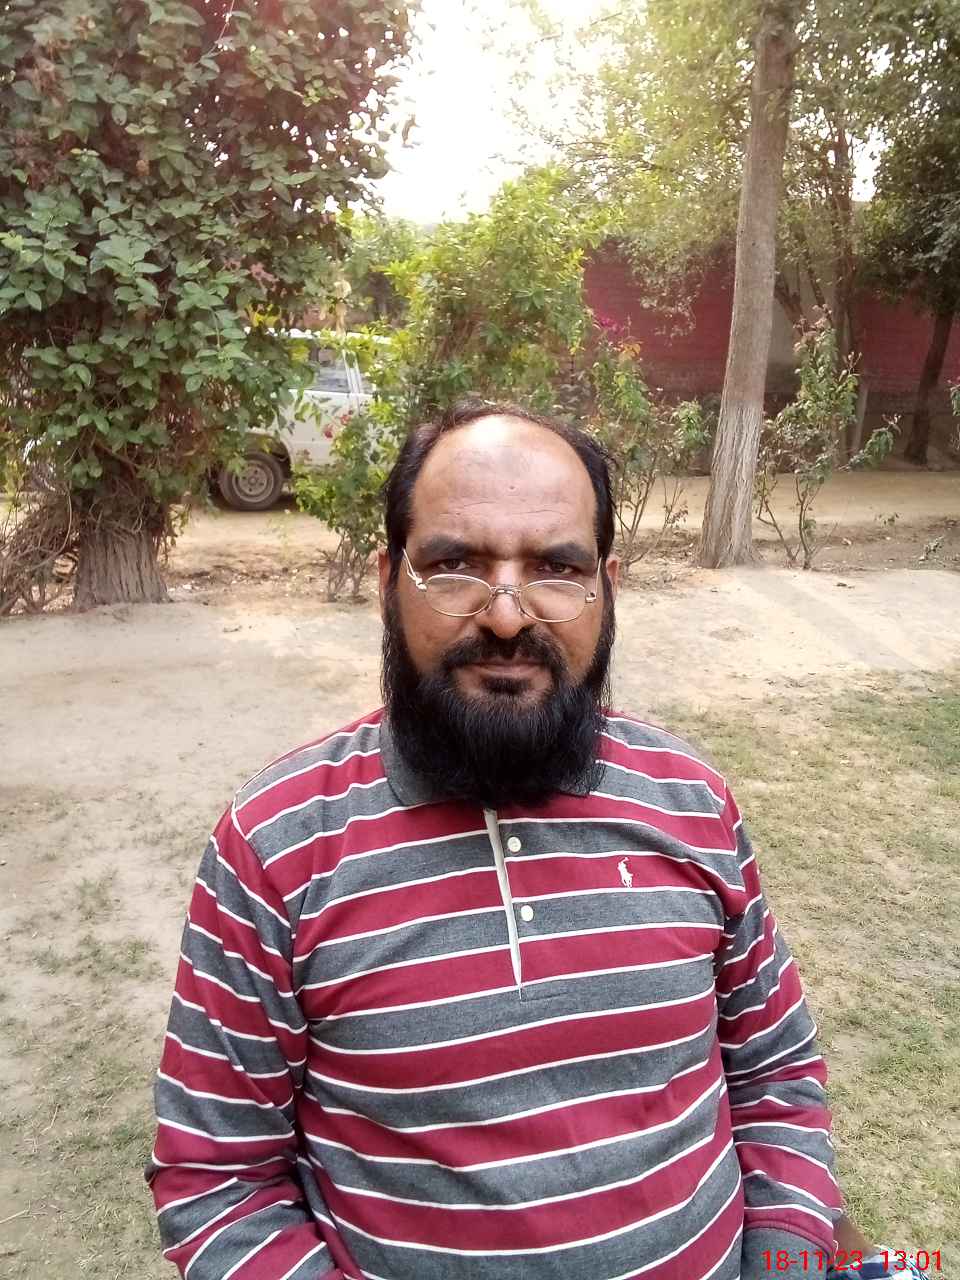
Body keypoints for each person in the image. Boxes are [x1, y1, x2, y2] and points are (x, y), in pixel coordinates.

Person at [148, 403, 928, 1280]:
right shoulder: (276, 845)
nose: (508, 616)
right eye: (454, 564)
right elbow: (218, 1182)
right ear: (387, 582)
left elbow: (775, 1075)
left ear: (607, 587)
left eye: (557, 568)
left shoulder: (692, 798)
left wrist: (787, 1256)